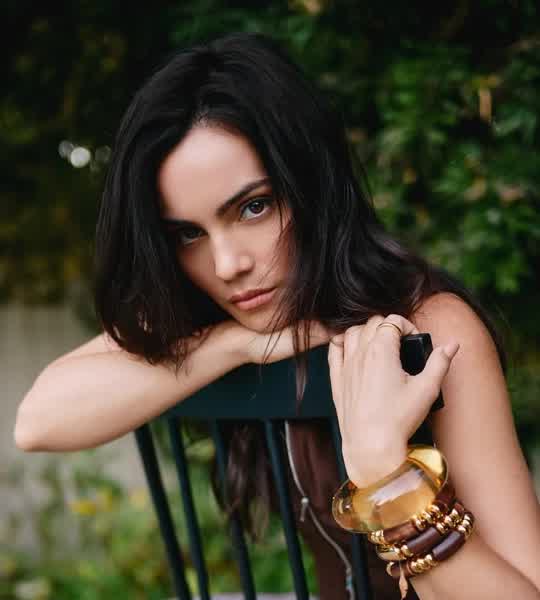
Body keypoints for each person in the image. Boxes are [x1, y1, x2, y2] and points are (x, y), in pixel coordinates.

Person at [14, 32, 540, 600]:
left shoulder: (431, 326)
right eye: (188, 233)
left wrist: (387, 477)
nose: (227, 265)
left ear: (312, 187)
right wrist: (235, 346)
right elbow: (38, 421)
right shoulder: (222, 325)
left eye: (254, 207)